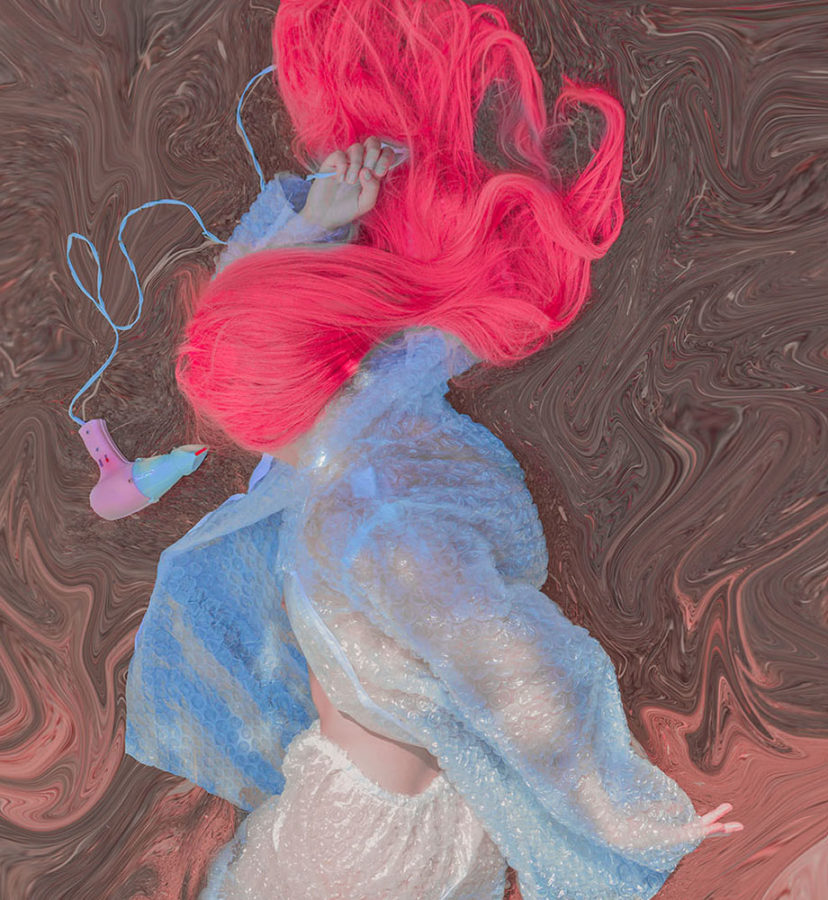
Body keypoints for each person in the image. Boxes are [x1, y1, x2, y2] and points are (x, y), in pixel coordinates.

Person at [124, 2, 742, 897]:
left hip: (374, 843)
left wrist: (635, 819)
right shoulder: (372, 424)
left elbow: (520, 683)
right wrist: (313, 227)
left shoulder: (362, 499)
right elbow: (517, 682)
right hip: (364, 823)